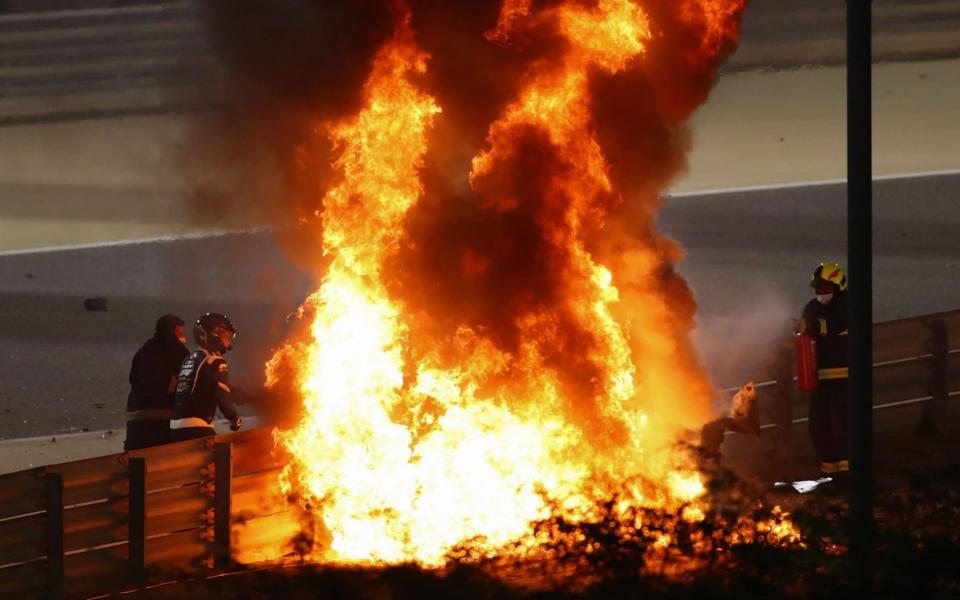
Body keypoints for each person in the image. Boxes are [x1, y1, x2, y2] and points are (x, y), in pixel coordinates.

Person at [795, 261, 849, 478]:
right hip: (820, 377)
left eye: (825, 289)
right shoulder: (812, 306)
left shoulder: (848, 306)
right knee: (818, 426)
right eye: (817, 289)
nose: (820, 293)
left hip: (846, 377)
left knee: (844, 424)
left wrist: (808, 326)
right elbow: (807, 331)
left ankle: (848, 472)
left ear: (838, 287)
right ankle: (828, 471)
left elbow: (833, 324)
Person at [170, 313, 242, 441]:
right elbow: (222, 395)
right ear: (215, 334)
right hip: (197, 426)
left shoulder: (190, 358)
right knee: (229, 454)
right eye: (226, 336)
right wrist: (234, 419)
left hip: (175, 426)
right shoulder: (215, 360)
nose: (228, 341)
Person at [124, 315, 189, 451]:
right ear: (171, 332)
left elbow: (134, 380)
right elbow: (186, 383)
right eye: (181, 334)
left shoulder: (143, 352)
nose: (184, 338)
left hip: (135, 421)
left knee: (137, 464)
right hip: (163, 421)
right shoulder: (178, 351)